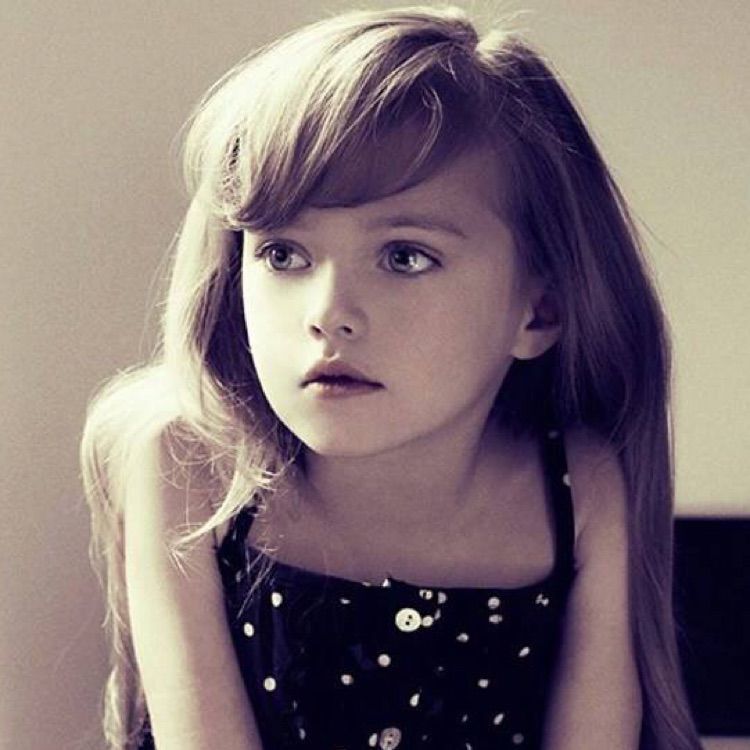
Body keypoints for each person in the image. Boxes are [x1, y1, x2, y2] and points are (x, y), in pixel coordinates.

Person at [80, 6, 703, 750]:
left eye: (405, 256)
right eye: (282, 254)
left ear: (538, 311)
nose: (328, 314)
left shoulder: (577, 487)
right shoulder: (191, 463)